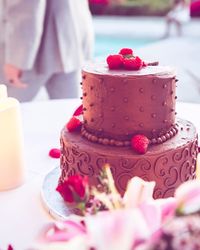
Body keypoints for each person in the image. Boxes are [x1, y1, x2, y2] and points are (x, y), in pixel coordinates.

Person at [0, 0, 94, 102]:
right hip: (71, 37)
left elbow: (25, 7)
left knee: (6, 110)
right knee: (68, 110)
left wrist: (17, 58)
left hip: (37, 48)